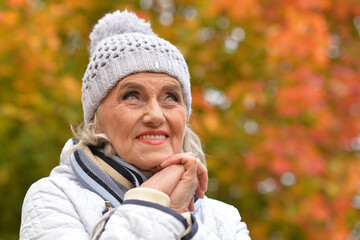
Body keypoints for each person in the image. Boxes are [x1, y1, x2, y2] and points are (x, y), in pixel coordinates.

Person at [20, 10, 251, 240]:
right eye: (132, 96)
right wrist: (153, 200)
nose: (155, 115)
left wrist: (179, 212)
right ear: (96, 120)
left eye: (170, 97)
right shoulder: (52, 198)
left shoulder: (226, 219)